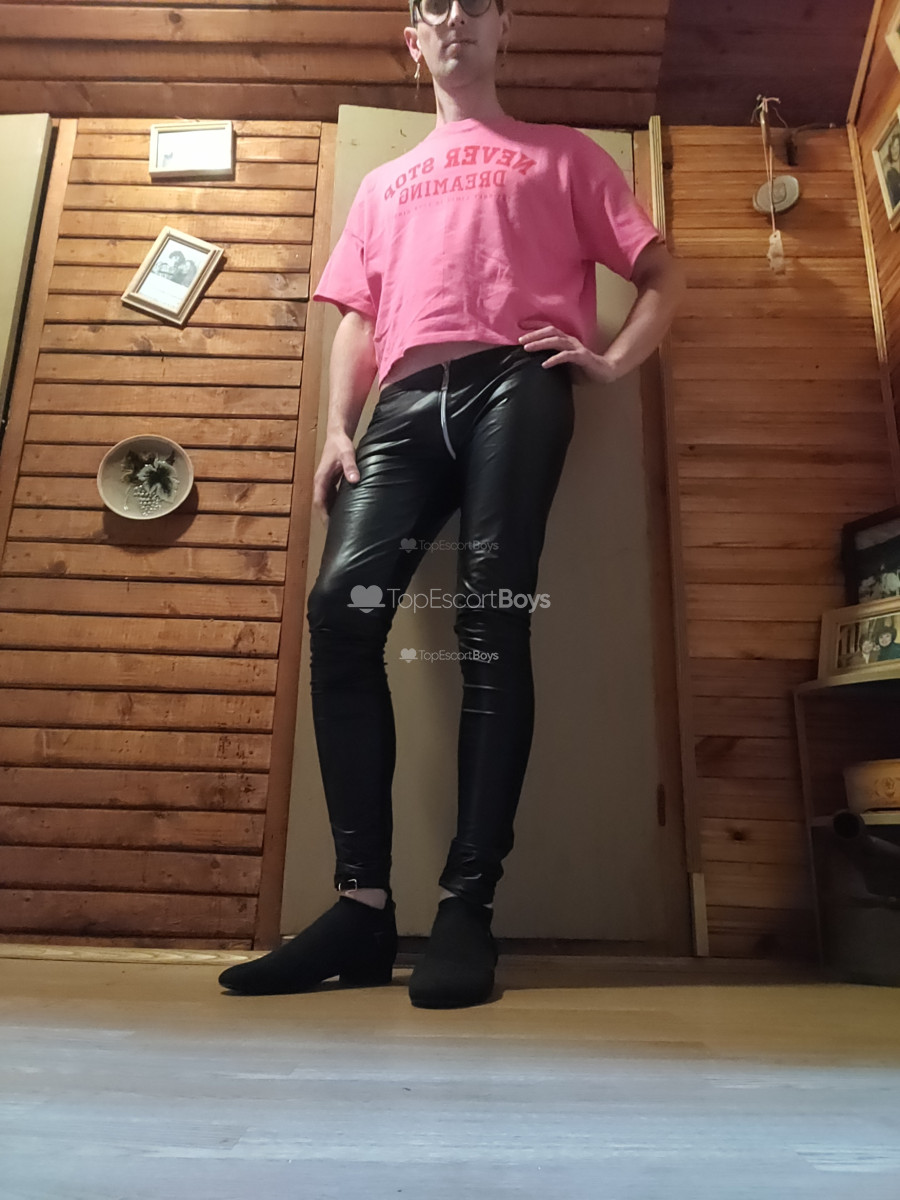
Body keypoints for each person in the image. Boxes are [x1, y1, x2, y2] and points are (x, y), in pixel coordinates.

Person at [219, 0, 685, 1008]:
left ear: (506, 30)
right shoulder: (382, 183)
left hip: (518, 379)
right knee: (339, 613)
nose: (458, 17)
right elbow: (356, 318)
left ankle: (468, 906)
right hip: (399, 403)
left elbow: (660, 272)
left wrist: (610, 362)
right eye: (438, 5)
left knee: (489, 615)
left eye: (480, 4)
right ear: (414, 38)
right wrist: (335, 428)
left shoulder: (565, 155)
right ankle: (361, 908)